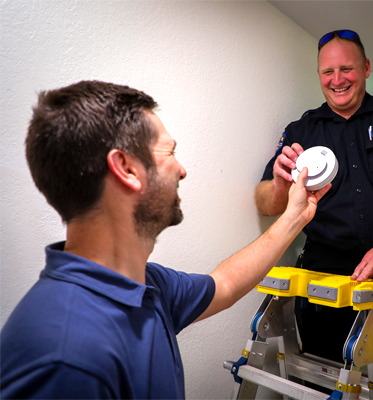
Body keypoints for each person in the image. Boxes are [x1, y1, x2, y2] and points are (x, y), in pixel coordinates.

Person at [0, 80, 330, 400]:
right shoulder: (62, 358)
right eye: (169, 152)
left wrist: (295, 216)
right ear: (126, 168)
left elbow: (225, 284)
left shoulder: (145, 284)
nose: (182, 170)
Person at [255, 30, 373, 396]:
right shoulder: (302, 129)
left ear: (366, 69)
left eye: (347, 68)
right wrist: (281, 184)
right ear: (318, 75)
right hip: (320, 276)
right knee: (319, 383)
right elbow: (265, 203)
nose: (337, 79)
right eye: (328, 72)